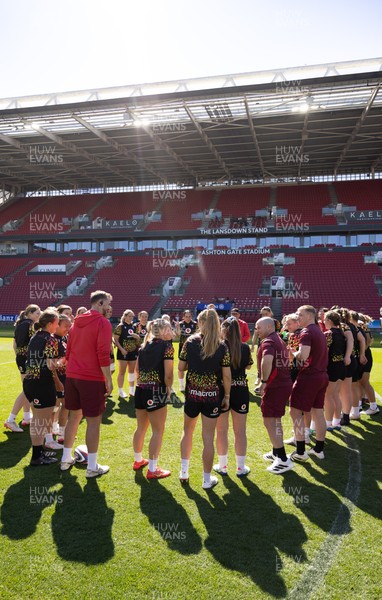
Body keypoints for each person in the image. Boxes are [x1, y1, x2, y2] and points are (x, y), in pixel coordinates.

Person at [60, 290, 113, 478]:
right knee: (93, 422)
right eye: (108, 303)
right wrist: (108, 378)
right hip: (90, 377)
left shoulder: (76, 323)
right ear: (99, 303)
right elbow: (102, 353)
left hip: (72, 375)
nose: (110, 307)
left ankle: (65, 458)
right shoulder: (102, 322)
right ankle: (92, 467)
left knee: (73, 417)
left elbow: (69, 350)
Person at [179, 308, 231, 489]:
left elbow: (181, 366)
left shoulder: (190, 341)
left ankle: (184, 472)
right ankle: (206, 480)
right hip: (212, 397)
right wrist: (227, 396)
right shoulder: (222, 345)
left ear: (200, 322)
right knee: (208, 438)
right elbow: (226, 376)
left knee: (187, 432)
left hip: (193, 395)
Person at [132, 318, 174, 479]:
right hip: (156, 390)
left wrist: (143, 383)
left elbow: (136, 370)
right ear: (162, 331)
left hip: (141, 389)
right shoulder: (167, 347)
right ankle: (153, 468)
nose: (171, 332)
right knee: (158, 430)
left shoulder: (144, 346)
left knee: (141, 427)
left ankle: (138, 460)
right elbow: (168, 374)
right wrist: (168, 390)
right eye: (169, 329)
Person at [23, 308, 64, 466]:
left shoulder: (35, 336)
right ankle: (37, 456)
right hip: (41, 382)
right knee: (40, 420)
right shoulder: (50, 339)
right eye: (57, 322)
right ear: (50, 323)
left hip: (30, 381)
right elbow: (51, 365)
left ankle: (39, 453)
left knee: (37, 419)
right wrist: (63, 361)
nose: (58, 325)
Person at [214, 316, 253, 477]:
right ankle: (240, 467)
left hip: (222, 390)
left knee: (221, 431)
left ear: (224, 330)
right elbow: (249, 366)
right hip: (241, 389)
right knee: (240, 431)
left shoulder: (219, 347)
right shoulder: (244, 347)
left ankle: (223, 466)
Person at [289, 305, 329, 461]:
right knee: (318, 412)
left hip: (309, 376)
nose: (297, 317)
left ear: (309, 316)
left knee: (294, 411)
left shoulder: (307, 331)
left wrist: (292, 354)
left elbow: (303, 356)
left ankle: (300, 451)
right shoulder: (318, 330)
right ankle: (318, 449)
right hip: (322, 376)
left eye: (300, 314)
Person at [255, 317, 294, 474]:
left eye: (258, 327)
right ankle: (277, 452)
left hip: (276, 386)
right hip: (282, 383)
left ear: (268, 327)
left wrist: (263, 382)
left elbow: (267, 360)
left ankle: (283, 459)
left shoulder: (269, 341)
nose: (256, 330)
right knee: (275, 419)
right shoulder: (276, 338)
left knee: (270, 420)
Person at [4, 304, 41, 432]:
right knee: (28, 389)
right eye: (37, 313)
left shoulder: (20, 323)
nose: (39, 315)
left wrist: (19, 357)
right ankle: (11, 420)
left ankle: (26, 417)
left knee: (26, 388)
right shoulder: (30, 324)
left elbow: (15, 344)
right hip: (27, 359)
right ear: (29, 313)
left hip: (21, 358)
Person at [323, 310, 347, 431]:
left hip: (331, 366)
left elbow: (325, 351)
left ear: (330, 321)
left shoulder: (328, 334)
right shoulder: (342, 333)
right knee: (336, 395)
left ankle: (328, 423)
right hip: (340, 366)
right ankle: (336, 422)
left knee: (328, 395)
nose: (323, 321)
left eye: (325, 319)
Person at [113, 310, 140, 397]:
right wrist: (121, 349)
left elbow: (138, 340)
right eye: (129, 316)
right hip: (123, 352)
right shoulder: (120, 327)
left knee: (131, 371)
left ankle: (132, 390)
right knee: (122, 372)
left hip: (133, 352)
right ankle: (120, 391)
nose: (131, 318)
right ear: (124, 316)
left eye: (132, 316)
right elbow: (115, 339)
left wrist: (137, 337)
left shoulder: (134, 326)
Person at [175, 310, 198, 392]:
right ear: (183, 317)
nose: (188, 318)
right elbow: (177, 336)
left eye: (189, 316)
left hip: (194, 349)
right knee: (181, 368)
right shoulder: (180, 324)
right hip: (182, 349)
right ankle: (181, 385)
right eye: (186, 316)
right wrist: (177, 327)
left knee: (193, 368)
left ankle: (192, 384)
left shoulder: (195, 324)